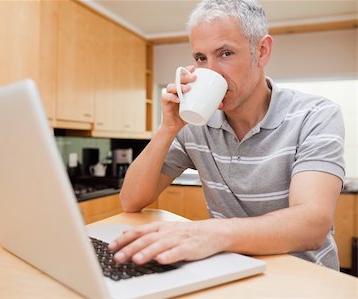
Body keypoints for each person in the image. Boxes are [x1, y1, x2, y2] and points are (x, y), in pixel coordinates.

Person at [108, 0, 345, 270]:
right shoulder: (196, 125)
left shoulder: (315, 115)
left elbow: (311, 226)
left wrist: (209, 233)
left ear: (262, 51)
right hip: (231, 270)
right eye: (200, 58)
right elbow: (131, 200)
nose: (210, 70)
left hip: (305, 277)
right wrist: (168, 128)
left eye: (225, 54)